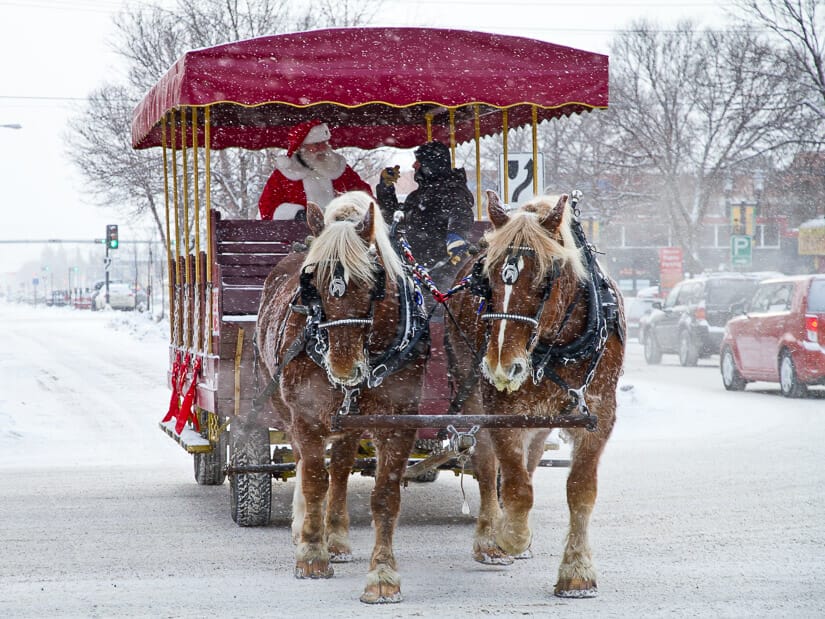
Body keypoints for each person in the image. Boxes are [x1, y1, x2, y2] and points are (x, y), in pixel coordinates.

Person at [376, 140, 475, 294]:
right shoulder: (417, 196)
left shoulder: (452, 192)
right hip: (414, 269)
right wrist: (386, 189)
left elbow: (460, 214)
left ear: (431, 165)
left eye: (419, 161)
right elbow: (395, 219)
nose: (414, 165)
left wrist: (457, 237)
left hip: (440, 271)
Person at [258, 120, 372, 220]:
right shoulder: (285, 174)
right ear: (302, 147)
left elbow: (365, 196)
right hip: (297, 238)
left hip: (339, 235)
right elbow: (267, 208)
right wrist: (296, 214)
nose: (322, 148)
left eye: (324, 143)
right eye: (316, 144)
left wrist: (350, 204)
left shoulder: (340, 169)